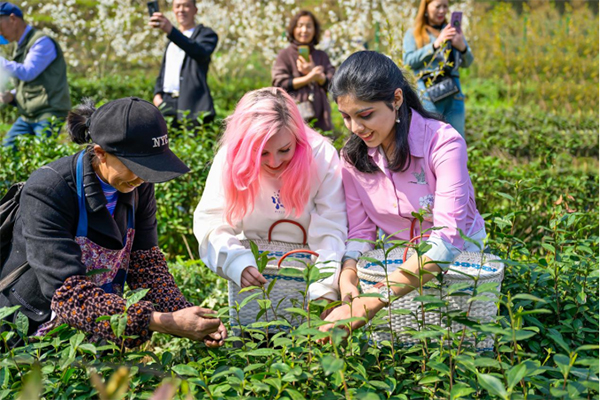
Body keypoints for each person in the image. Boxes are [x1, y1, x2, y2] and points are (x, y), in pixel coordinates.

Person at [0, 97, 226, 348]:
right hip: (27, 330)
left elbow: (145, 263)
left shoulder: (139, 184)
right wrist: (160, 321)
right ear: (101, 153)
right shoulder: (49, 189)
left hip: (98, 329)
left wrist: (190, 315)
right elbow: (69, 295)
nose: (143, 177)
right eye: (136, 167)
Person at [318, 51, 485, 335]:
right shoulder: (353, 159)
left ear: (396, 100)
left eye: (365, 115)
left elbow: (448, 239)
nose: (356, 128)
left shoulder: (443, 144)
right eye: (346, 117)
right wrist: (348, 275)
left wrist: (372, 301)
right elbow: (361, 232)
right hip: (397, 271)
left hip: (458, 268)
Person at [194, 87, 347, 302]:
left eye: (285, 150)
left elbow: (331, 227)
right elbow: (212, 220)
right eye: (261, 152)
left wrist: (324, 287)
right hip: (255, 276)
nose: (274, 162)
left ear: (298, 140)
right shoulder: (230, 157)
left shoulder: (320, 156)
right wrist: (235, 261)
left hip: (310, 270)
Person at [0, 2, 71, 148]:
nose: (0, 33)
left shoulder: (42, 42)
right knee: (8, 147)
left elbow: (28, 72)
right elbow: (35, 82)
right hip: (29, 114)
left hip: (49, 111)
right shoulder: (19, 45)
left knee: (43, 152)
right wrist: (12, 95)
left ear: (12, 19)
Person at [403, 0, 474, 137]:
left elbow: (468, 62)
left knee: (456, 140)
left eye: (445, 6)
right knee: (429, 140)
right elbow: (408, 61)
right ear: (426, 8)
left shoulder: (452, 31)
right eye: (437, 6)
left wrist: (462, 47)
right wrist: (435, 45)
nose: (442, 11)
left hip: (454, 94)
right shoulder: (414, 33)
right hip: (428, 95)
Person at [150, 0, 218, 125]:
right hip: (166, 103)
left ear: (195, 10)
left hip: (193, 105)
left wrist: (171, 31)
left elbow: (199, 52)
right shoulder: (171, 40)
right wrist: (157, 94)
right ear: (173, 10)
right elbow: (165, 69)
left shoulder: (206, 34)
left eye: (186, 6)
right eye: (177, 6)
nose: (181, 10)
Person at [272, 10, 335, 132]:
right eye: (300, 26)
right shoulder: (285, 55)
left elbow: (334, 83)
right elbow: (279, 83)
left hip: (321, 116)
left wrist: (318, 76)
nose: (304, 30)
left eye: (309, 26)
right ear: (293, 29)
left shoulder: (321, 56)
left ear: (315, 30)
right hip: (292, 115)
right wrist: (309, 77)